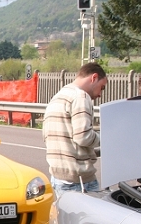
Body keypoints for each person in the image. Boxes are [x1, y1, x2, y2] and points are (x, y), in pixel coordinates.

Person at [43, 62, 107, 197]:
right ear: (94, 77)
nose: (100, 94)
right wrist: (106, 138)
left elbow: (55, 138)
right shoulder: (81, 96)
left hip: (59, 178)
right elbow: (83, 136)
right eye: (102, 87)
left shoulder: (58, 96)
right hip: (79, 181)